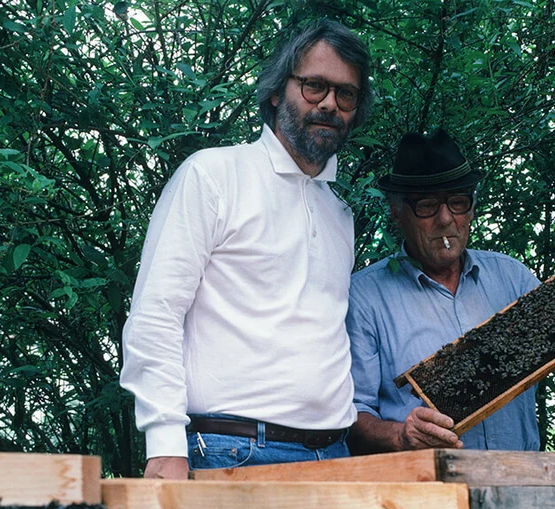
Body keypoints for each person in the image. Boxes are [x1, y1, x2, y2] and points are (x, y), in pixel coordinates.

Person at [121, 19, 373, 477]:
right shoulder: (212, 176)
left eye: (346, 93)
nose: (330, 104)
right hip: (230, 451)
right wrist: (164, 443)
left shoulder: (340, 215)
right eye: (315, 86)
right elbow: (155, 315)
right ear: (277, 91)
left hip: (335, 457)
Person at [345, 128, 555, 453]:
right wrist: (401, 437)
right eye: (427, 206)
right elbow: (350, 418)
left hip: (520, 484)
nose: (446, 219)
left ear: (471, 210)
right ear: (397, 212)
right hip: (427, 491)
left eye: (457, 203)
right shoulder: (364, 297)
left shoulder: (511, 276)